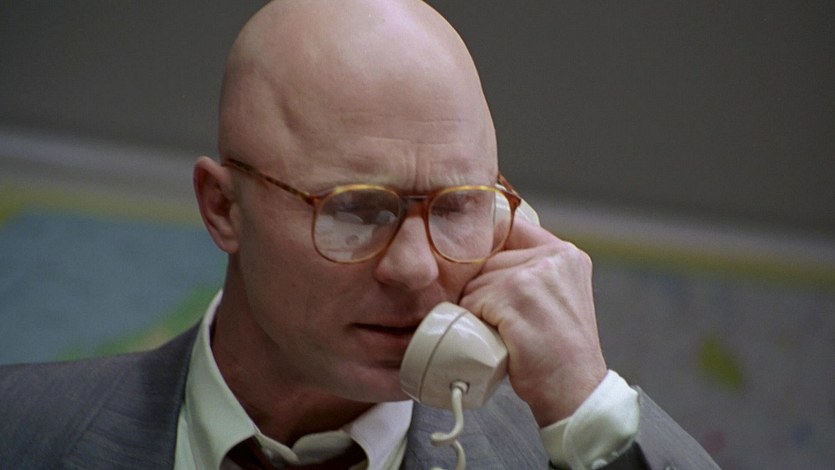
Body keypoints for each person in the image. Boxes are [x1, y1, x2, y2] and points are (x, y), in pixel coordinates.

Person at [0, 1, 720, 469]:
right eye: (356, 209)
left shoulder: (555, 457)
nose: (415, 269)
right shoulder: (22, 431)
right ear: (223, 208)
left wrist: (589, 408)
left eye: (455, 208)